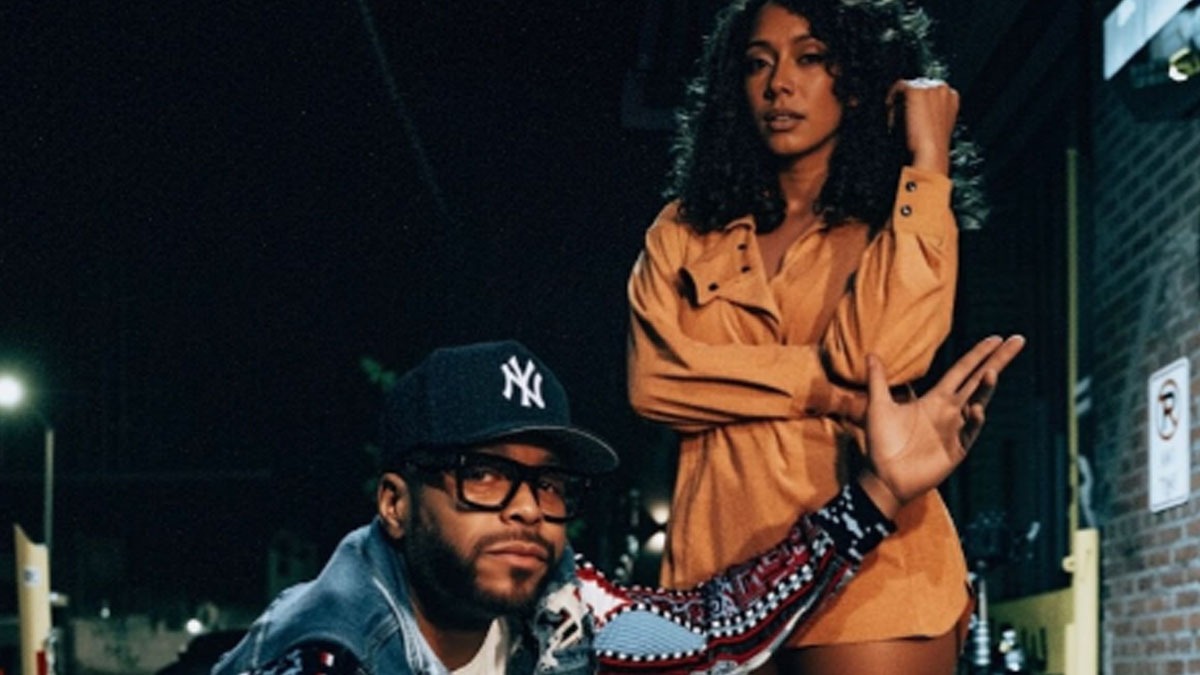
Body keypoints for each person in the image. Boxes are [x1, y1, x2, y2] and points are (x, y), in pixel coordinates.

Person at [212, 334, 1022, 675]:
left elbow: (713, 628)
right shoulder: (326, 654)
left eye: (549, 484)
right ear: (395, 503)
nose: (527, 510)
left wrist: (878, 493)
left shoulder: (557, 604)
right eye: (484, 474)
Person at [625, 1, 985, 672]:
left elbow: (879, 357)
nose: (778, 84)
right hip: (716, 578)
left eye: (810, 58)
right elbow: (654, 381)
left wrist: (929, 160)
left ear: (859, 79)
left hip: (876, 574)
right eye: (757, 64)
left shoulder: (894, 216)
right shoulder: (682, 230)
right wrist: (830, 392)